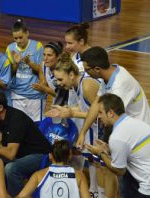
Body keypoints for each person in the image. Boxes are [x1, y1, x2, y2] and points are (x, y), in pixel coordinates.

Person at [85, 93, 150, 198]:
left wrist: (101, 153)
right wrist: (109, 150)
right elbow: (131, 149)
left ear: (110, 113)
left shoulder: (117, 136)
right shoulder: (134, 122)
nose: (98, 116)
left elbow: (119, 170)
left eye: (100, 112)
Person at [76, 46, 150, 149]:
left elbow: (111, 118)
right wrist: (83, 133)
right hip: (131, 133)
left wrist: (105, 147)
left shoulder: (120, 85)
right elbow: (96, 104)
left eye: (86, 69)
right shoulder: (109, 75)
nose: (85, 73)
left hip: (143, 138)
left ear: (97, 69)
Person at [45, 52, 102, 197]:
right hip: (95, 127)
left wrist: (71, 113)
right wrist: (66, 110)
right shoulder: (76, 85)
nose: (58, 83)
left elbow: (100, 114)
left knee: (103, 167)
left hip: (104, 128)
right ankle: (94, 191)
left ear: (71, 74)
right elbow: (85, 109)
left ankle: (102, 193)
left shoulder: (87, 85)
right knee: (93, 159)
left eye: (60, 79)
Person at [18, 140, 90, 198]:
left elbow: (22, 196)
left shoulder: (38, 175)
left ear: (50, 156)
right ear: (69, 156)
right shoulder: (79, 175)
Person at [6, 19, 46, 122]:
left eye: (20, 37)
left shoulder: (37, 46)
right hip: (17, 93)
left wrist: (29, 63)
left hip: (35, 94)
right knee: (19, 125)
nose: (18, 41)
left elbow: (42, 71)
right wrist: (16, 63)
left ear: (27, 33)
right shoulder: (10, 49)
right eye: (15, 38)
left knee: (36, 126)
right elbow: (10, 73)